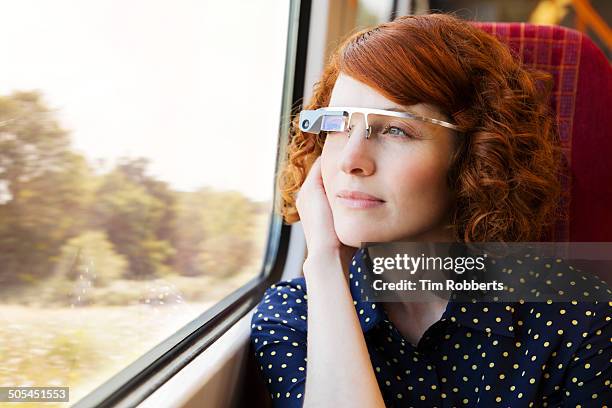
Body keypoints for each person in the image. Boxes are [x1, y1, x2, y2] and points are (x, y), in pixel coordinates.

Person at [250, 13, 611, 407]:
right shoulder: (294, 315)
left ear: (476, 156)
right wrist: (323, 261)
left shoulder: (581, 318)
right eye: (338, 126)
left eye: (395, 129)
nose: (350, 160)